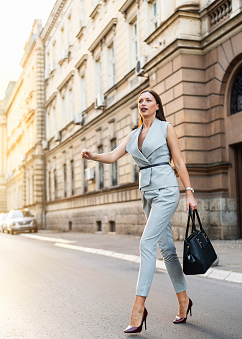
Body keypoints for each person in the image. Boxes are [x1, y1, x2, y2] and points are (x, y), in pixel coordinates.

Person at [80, 89, 197, 333]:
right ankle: (184, 300)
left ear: (156, 106)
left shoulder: (166, 128)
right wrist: (93, 156)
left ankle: (138, 307)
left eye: (148, 100)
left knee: (146, 244)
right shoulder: (133, 135)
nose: (143, 103)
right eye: (140, 100)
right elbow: (113, 156)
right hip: (148, 195)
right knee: (166, 249)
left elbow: (179, 162)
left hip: (166, 190)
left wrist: (189, 191)